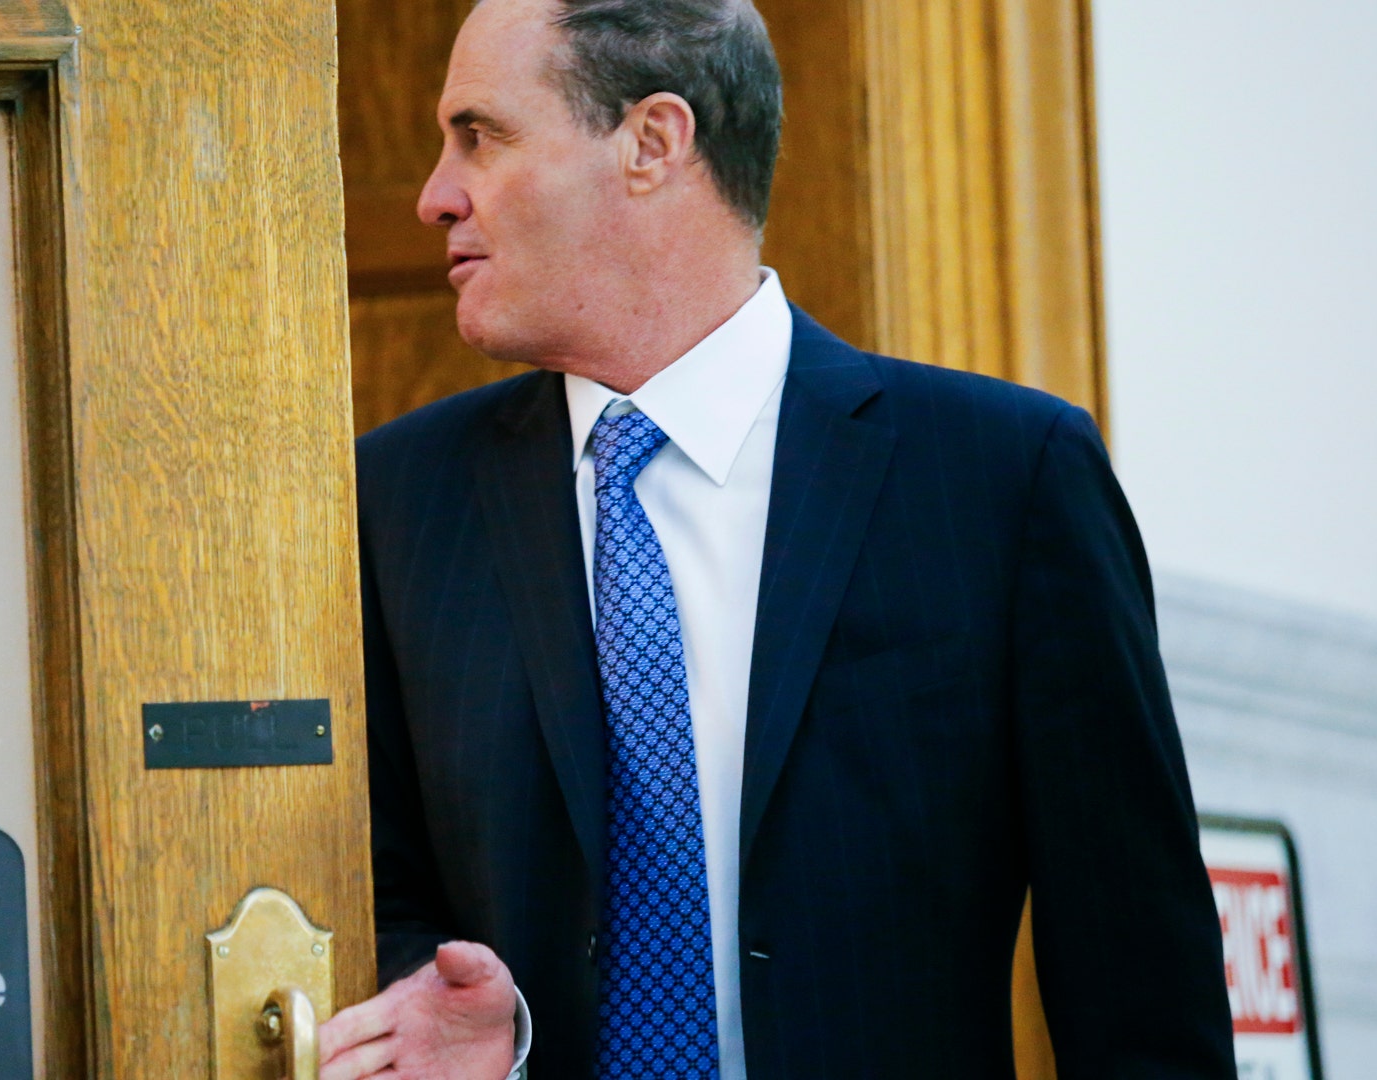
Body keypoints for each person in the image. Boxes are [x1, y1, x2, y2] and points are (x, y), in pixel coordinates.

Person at [319, 0, 1237, 1076]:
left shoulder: (1002, 478)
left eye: (481, 135)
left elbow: (1139, 972)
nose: (433, 195)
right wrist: (477, 1025)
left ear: (652, 144)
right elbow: (366, 882)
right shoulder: (397, 498)